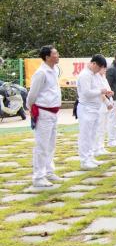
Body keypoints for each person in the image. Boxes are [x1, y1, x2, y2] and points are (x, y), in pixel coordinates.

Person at [26, 45, 62, 187]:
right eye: (55, 53)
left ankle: (48, 171)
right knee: (42, 145)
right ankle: (38, 177)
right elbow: (32, 94)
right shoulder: (41, 73)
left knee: (51, 144)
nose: (58, 55)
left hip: (53, 112)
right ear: (47, 57)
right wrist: (31, 108)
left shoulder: (55, 70)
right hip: (43, 112)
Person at [76, 54, 112, 170]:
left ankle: (90, 157)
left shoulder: (95, 75)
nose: (99, 70)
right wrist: (100, 91)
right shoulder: (85, 75)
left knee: (92, 134)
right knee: (85, 135)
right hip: (86, 108)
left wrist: (106, 93)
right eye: (99, 67)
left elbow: (101, 90)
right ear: (94, 64)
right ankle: (84, 160)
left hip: (95, 108)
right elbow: (86, 92)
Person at [94, 66, 114, 157]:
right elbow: (100, 93)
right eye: (103, 68)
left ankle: (101, 147)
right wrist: (107, 102)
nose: (105, 70)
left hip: (106, 104)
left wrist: (110, 94)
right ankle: (96, 148)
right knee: (99, 128)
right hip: (100, 105)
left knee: (103, 128)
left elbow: (106, 91)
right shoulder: (96, 78)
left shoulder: (103, 78)